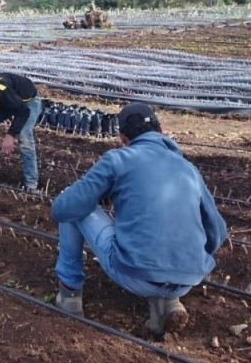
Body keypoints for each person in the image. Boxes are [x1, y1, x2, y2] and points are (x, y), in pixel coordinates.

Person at [51, 103, 226, 337]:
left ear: (122, 137)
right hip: (189, 278)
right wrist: (191, 260)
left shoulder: (118, 159)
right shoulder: (188, 169)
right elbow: (217, 230)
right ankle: (169, 301)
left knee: (71, 202)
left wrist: (98, 196)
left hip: (134, 274)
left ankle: (69, 294)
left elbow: (64, 208)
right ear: (161, 130)